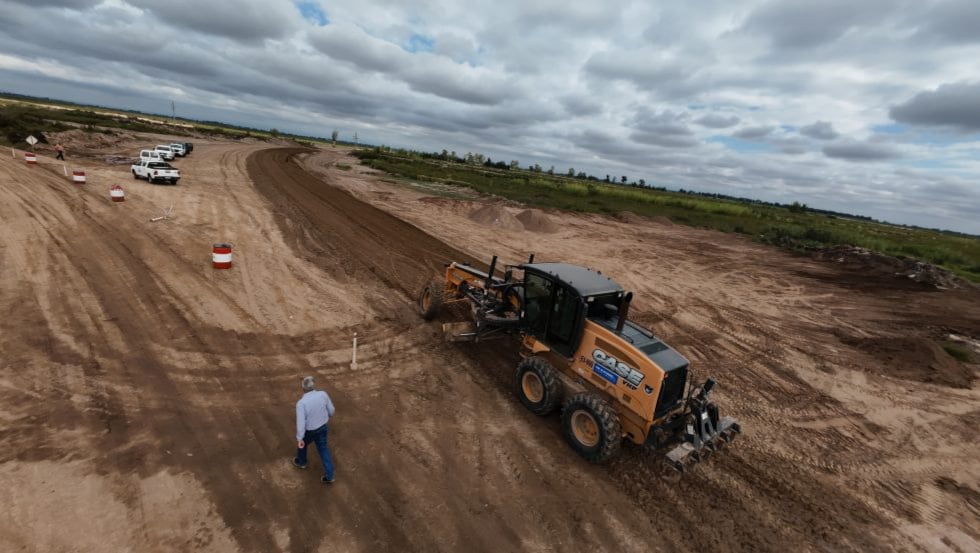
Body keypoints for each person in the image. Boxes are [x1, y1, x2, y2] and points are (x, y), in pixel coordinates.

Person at [292, 376, 336, 483]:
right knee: (323, 449)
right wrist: (327, 416)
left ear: (303, 388)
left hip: (310, 431)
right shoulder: (323, 394)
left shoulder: (301, 404)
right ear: (313, 385)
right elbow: (331, 410)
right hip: (323, 427)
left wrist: (299, 438)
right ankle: (330, 476)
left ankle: (302, 462)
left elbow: (301, 424)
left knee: (302, 444)